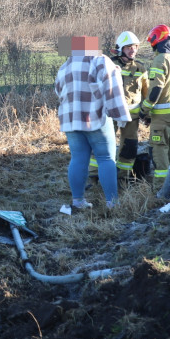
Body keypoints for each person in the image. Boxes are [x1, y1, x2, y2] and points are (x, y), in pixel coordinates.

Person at [55, 35, 130, 209]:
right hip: (95, 117)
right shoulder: (100, 60)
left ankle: (78, 201)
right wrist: (120, 115)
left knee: (78, 159)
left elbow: (58, 91)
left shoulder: (65, 66)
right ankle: (113, 203)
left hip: (71, 120)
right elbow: (112, 89)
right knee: (105, 158)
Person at [139, 24, 170, 188]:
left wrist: (144, 110)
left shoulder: (161, 59)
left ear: (155, 41)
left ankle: (162, 185)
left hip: (162, 116)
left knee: (159, 147)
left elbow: (156, 90)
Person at [108, 31, 149, 183]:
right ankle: (97, 176)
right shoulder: (109, 65)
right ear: (120, 48)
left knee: (130, 146)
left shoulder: (140, 68)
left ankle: (123, 177)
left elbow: (147, 93)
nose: (133, 50)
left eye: (135, 47)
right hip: (110, 114)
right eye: (129, 47)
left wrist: (148, 114)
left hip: (132, 116)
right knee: (105, 144)